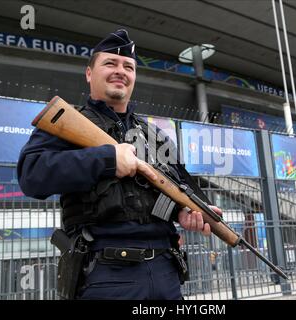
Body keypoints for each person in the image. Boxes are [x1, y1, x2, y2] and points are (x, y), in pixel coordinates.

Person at [17, 29, 222, 300]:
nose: (120, 71)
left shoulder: (154, 136)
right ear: (89, 73)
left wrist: (184, 212)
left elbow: (181, 187)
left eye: (128, 66)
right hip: (105, 274)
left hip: (166, 272)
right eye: (110, 63)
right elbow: (32, 174)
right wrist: (107, 160)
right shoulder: (67, 123)